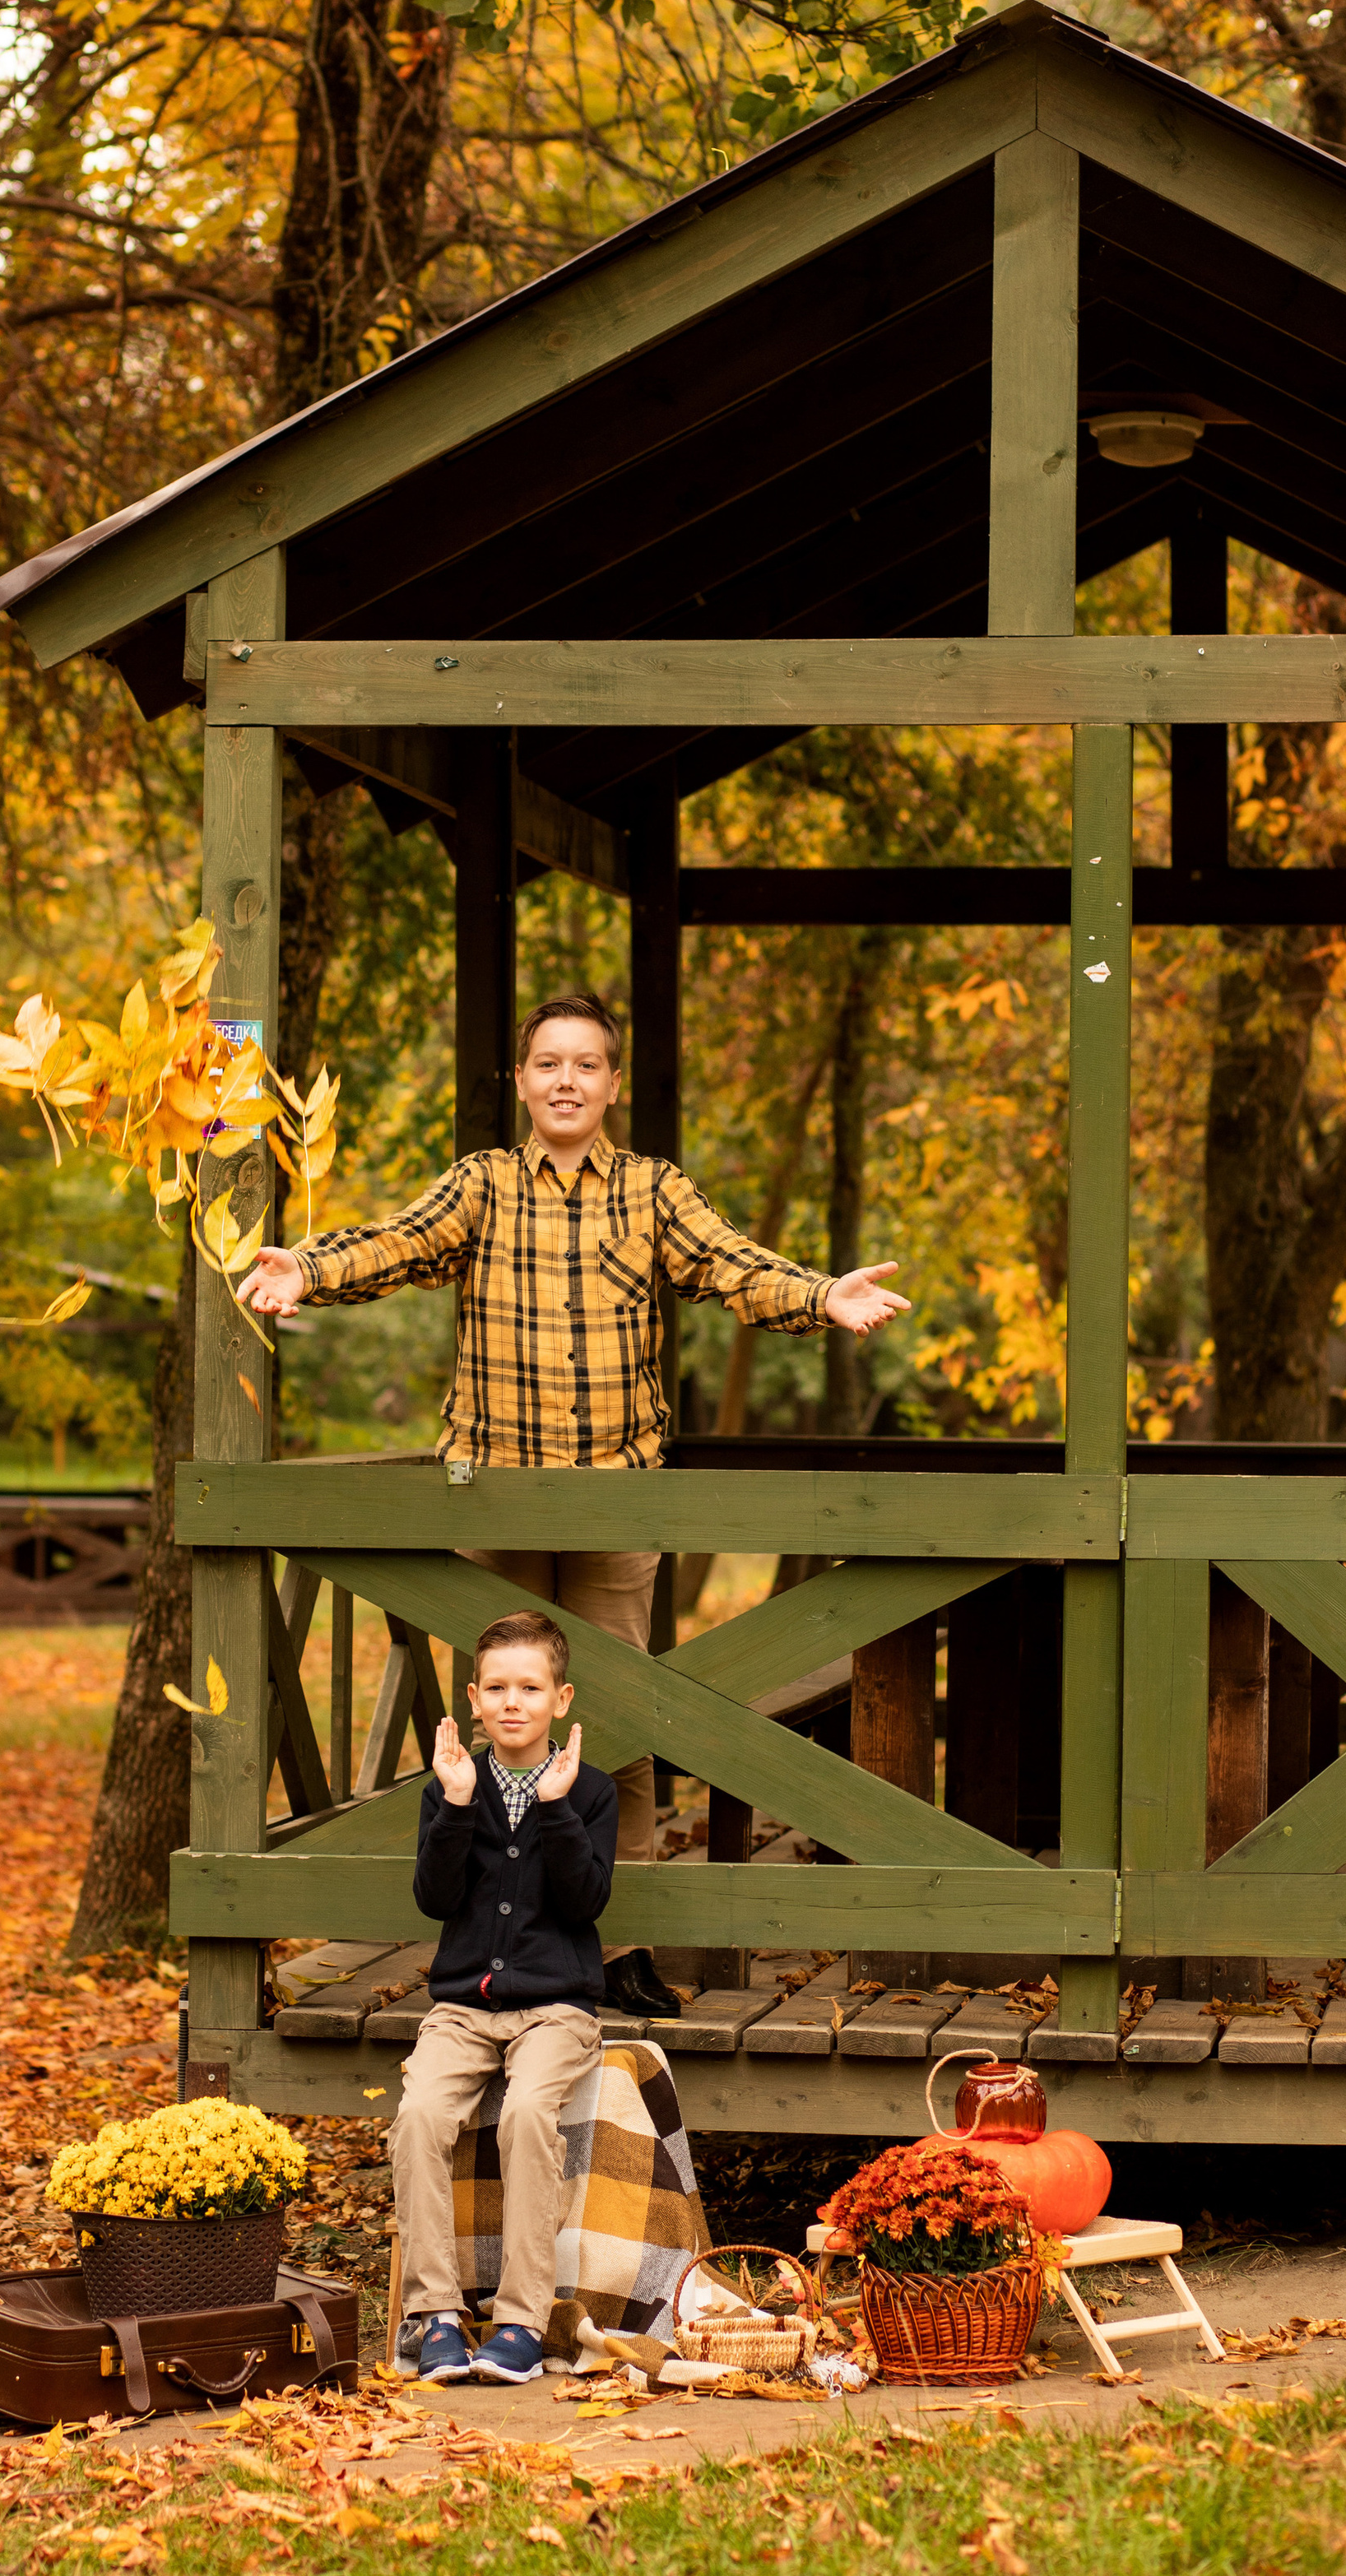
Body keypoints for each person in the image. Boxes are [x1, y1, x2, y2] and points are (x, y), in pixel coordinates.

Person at [239, 987, 910, 2017]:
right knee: (503, 1722)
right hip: (494, 1503)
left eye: (586, 1064)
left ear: (611, 1083)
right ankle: (493, 1943)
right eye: (548, 1063)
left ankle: (620, 1945)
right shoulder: (482, 1183)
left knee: (615, 1724)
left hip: (611, 1503)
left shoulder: (651, 1191)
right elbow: (394, 1244)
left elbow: (733, 1266)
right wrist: (308, 1268)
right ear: (521, 1081)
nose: (566, 1080)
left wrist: (822, 1294)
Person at [388, 1608, 618, 2383]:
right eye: (496, 1688)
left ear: (562, 1698)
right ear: (474, 1700)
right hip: (463, 2007)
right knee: (420, 2116)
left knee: (525, 2117)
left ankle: (521, 2320)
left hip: (557, 2007)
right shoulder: (452, 1786)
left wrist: (554, 1808)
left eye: (530, 1687)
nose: (512, 1702)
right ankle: (436, 2314)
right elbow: (434, 1897)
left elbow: (586, 1901)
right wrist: (455, 1807)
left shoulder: (590, 1792)